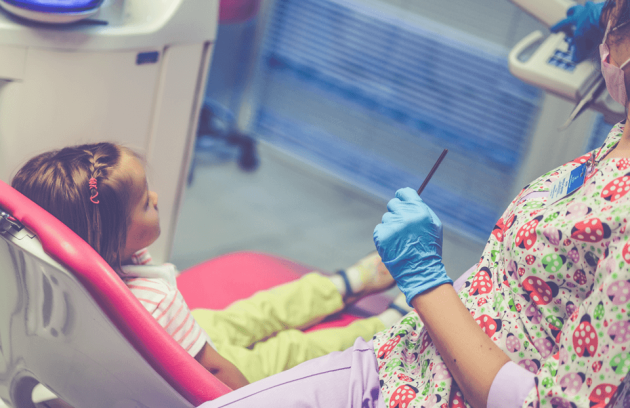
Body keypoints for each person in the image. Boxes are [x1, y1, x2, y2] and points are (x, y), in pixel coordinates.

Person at [194, 0, 630, 406]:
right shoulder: (616, 144)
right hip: (407, 352)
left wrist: (425, 281)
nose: (603, 40)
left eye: (613, 22)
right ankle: (373, 299)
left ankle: (370, 295)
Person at [11, 142, 411, 392]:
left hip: (181, 335)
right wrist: (250, 397)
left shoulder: (51, 274)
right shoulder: (156, 299)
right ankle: (383, 328)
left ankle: (346, 284)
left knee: (254, 312)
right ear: (113, 237)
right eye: (145, 204)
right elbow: (214, 372)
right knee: (293, 348)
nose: (156, 195)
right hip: (194, 359)